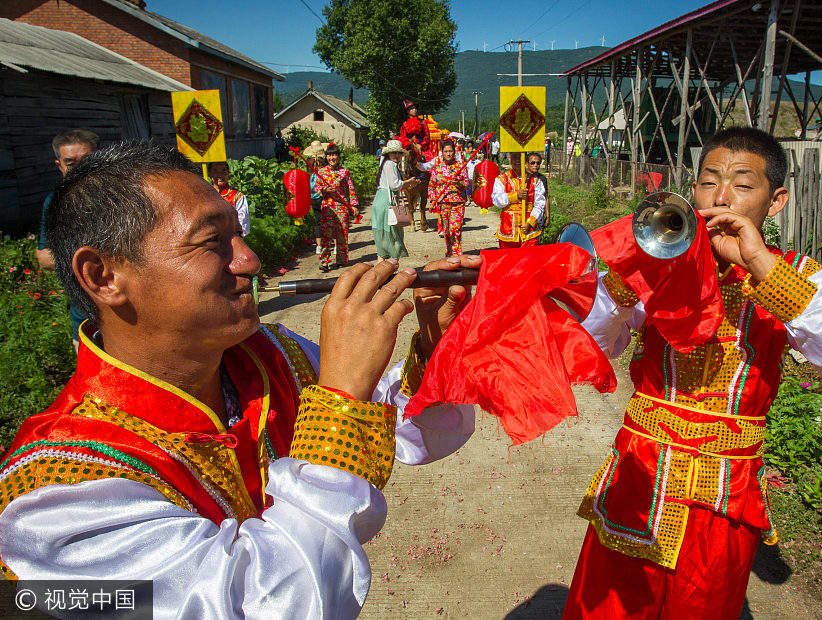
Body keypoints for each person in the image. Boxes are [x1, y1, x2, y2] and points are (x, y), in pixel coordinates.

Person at [0, 142, 482, 619]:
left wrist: (432, 349)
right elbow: (270, 606)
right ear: (103, 276)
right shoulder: (55, 492)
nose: (249, 261)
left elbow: (408, 434)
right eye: (213, 242)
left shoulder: (268, 356)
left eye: (239, 234)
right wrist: (341, 398)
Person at [563, 127, 822, 619]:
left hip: (724, 495)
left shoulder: (794, 274)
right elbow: (597, 343)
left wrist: (760, 264)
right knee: (607, 609)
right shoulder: (659, 263)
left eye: (742, 184)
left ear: (775, 201)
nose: (721, 198)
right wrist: (624, 283)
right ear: (691, 190)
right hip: (639, 476)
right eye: (708, 181)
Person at [36, 128, 99, 352]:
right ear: (59, 165)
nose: (80, 169)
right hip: (87, 323)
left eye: (88, 160)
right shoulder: (55, 204)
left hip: (137, 320)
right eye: (71, 163)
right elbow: (44, 258)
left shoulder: (125, 196)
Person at [418, 140, 470, 257]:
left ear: (454, 151)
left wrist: (459, 182)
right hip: (443, 203)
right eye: (446, 151)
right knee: (446, 231)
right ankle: (449, 252)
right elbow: (431, 186)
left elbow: (467, 184)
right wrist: (433, 199)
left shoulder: (460, 167)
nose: (448, 154)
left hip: (458, 202)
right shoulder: (438, 168)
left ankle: (457, 253)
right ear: (442, 152)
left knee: (455, 229)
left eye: (450, 151)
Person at [315, 143, 359, 272]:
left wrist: (354, 205)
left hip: (342, 207)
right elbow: (317, 188)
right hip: (327, 207)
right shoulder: (321, 172)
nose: (331, 158)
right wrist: (324, 189)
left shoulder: (344, 172)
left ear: (338, 156)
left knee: (342, 234)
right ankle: (324, 261)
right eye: (329, 155)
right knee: (326, 235)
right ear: (326, 157)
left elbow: (351, 189)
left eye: (334, 155)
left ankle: (341, 259)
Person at [371, 139, 416, 261]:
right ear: (388, 154)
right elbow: (394, 185)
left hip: (382, 199)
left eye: (399, 153)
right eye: (393, 153)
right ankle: (389, 268)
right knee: (392, 236)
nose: (396, 155)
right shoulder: (390, 164)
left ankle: (382, 267)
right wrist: (409, 182)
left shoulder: (386, 164)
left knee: (385, 238)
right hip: (387, 200)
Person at [491, 153, 546, 249]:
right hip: (508, 227)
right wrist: (515, 195)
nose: (517, 160)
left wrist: (530, 222)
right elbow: (496, 200)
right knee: (508, 259)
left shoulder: (535, 180)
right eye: (514, 157)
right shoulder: (502, 179)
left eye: (520, 158)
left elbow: (540, 204)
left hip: (529, 230)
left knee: (529, 259)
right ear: (509, 159)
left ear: (525, 160)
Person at [208, 161, 250, 237]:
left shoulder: (237, 196)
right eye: (215, 171)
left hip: (231, 240)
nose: (220, 175)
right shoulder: (205, 195)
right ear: (209, 174)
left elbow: (242, 223)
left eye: (223, 171)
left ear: (228, 173)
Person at [303, 141, 326, 254]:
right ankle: (328, 243)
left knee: (318, 221)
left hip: (312, 196)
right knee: (326, 220)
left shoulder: (308, 163)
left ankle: (319, 245)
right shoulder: (324, 164)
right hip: (322, 195)